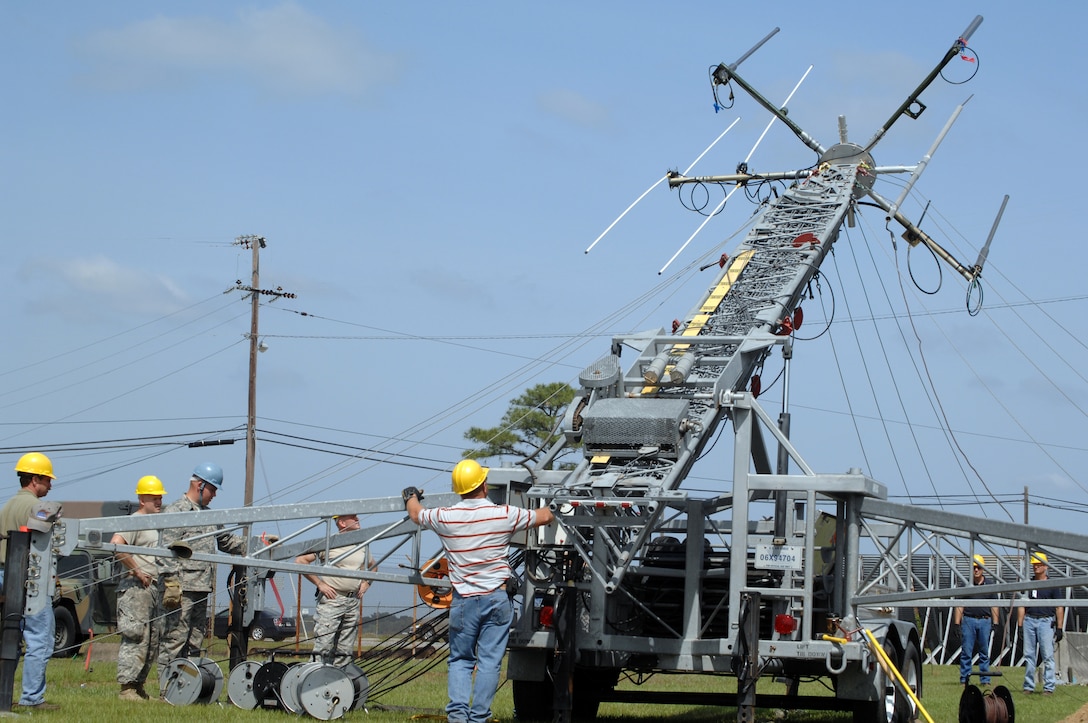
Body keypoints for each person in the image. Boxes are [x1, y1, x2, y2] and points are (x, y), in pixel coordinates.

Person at [404, 459, 555, 723]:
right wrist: (562, 498)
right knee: (489, 662)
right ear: (484, 485)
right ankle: (479, 717)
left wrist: (411, 495)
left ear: (459, 490)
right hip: (497, 599)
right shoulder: (505, 514)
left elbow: (416, 514)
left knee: (461, 660)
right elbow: (545, 516)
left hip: (463, 602)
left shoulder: (445, 517)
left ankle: (458, 717)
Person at [156, 462, 245, 693]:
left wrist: (256, 544)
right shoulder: (176, 512)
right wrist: (170, 584)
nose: (214, 495)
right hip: (181, 589)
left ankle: (188, 689)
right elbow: (165, 550)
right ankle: (167, 689)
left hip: (201, 588)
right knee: (175, 639)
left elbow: (227, 542)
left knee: (195, 640)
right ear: (200, 485)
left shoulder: (209, 516)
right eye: (213, 489)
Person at [0, 453, 60, 711]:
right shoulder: (34, 507)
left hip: (4, 576)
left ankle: (3, 695)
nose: (50, 485)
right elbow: (45, 531)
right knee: (40, 638)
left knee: (9, 637)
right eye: (47, 480)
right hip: (29, 579)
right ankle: (32, 699)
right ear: (34, 479)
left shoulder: (8, 505)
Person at [294, 513, 376, 667]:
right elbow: (300, 561)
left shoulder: (362, 544)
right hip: (332, 601)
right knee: (323, 646)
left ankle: (338, 683)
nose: (358, 520)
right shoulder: (330, 542)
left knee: (344, 651)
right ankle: (313, 679)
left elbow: (373, 566)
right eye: (354, 518)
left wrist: (367, 582)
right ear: (342, 523)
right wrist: (320, 583)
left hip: (352, 601)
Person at [112, 475, 166, 701]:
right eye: (154, 498)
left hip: (153, 588)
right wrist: (136, 570)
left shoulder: (158, 523)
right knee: (136, 636)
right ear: (142, 498)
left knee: (152, 639)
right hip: (136, 588)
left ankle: (139, 686)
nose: (158, 501)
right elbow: (116, 546)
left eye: (160, 497)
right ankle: (127, 688)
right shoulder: (135, 520)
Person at [1017, 551, 1065, 695]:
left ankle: (1049, 687)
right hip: (1029, 620)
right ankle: (1028, 686)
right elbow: (1022, 606)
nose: (1036, 567)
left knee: (1047, 655)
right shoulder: (1028, 584)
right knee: (1029, 655)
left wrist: (1059, 628)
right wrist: (1020, 625)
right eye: (1034, 565)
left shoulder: (1052, 585)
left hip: (1046, 621)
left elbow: (1059, 607)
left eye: (1039, 564)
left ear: (1045, 566)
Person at [954, 554, 999, 687]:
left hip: (985, 621)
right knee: (966, 651)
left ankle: (985, 679)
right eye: (973, 568)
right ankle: (964, 678)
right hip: (969, 621)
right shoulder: (965, 585)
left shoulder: (989, 585)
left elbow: (994, 605)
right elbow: (959, 605)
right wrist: (957, 623)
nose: (976, 570)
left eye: (978, 567)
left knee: (984, 652)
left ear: (983, 569)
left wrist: (995, 623)